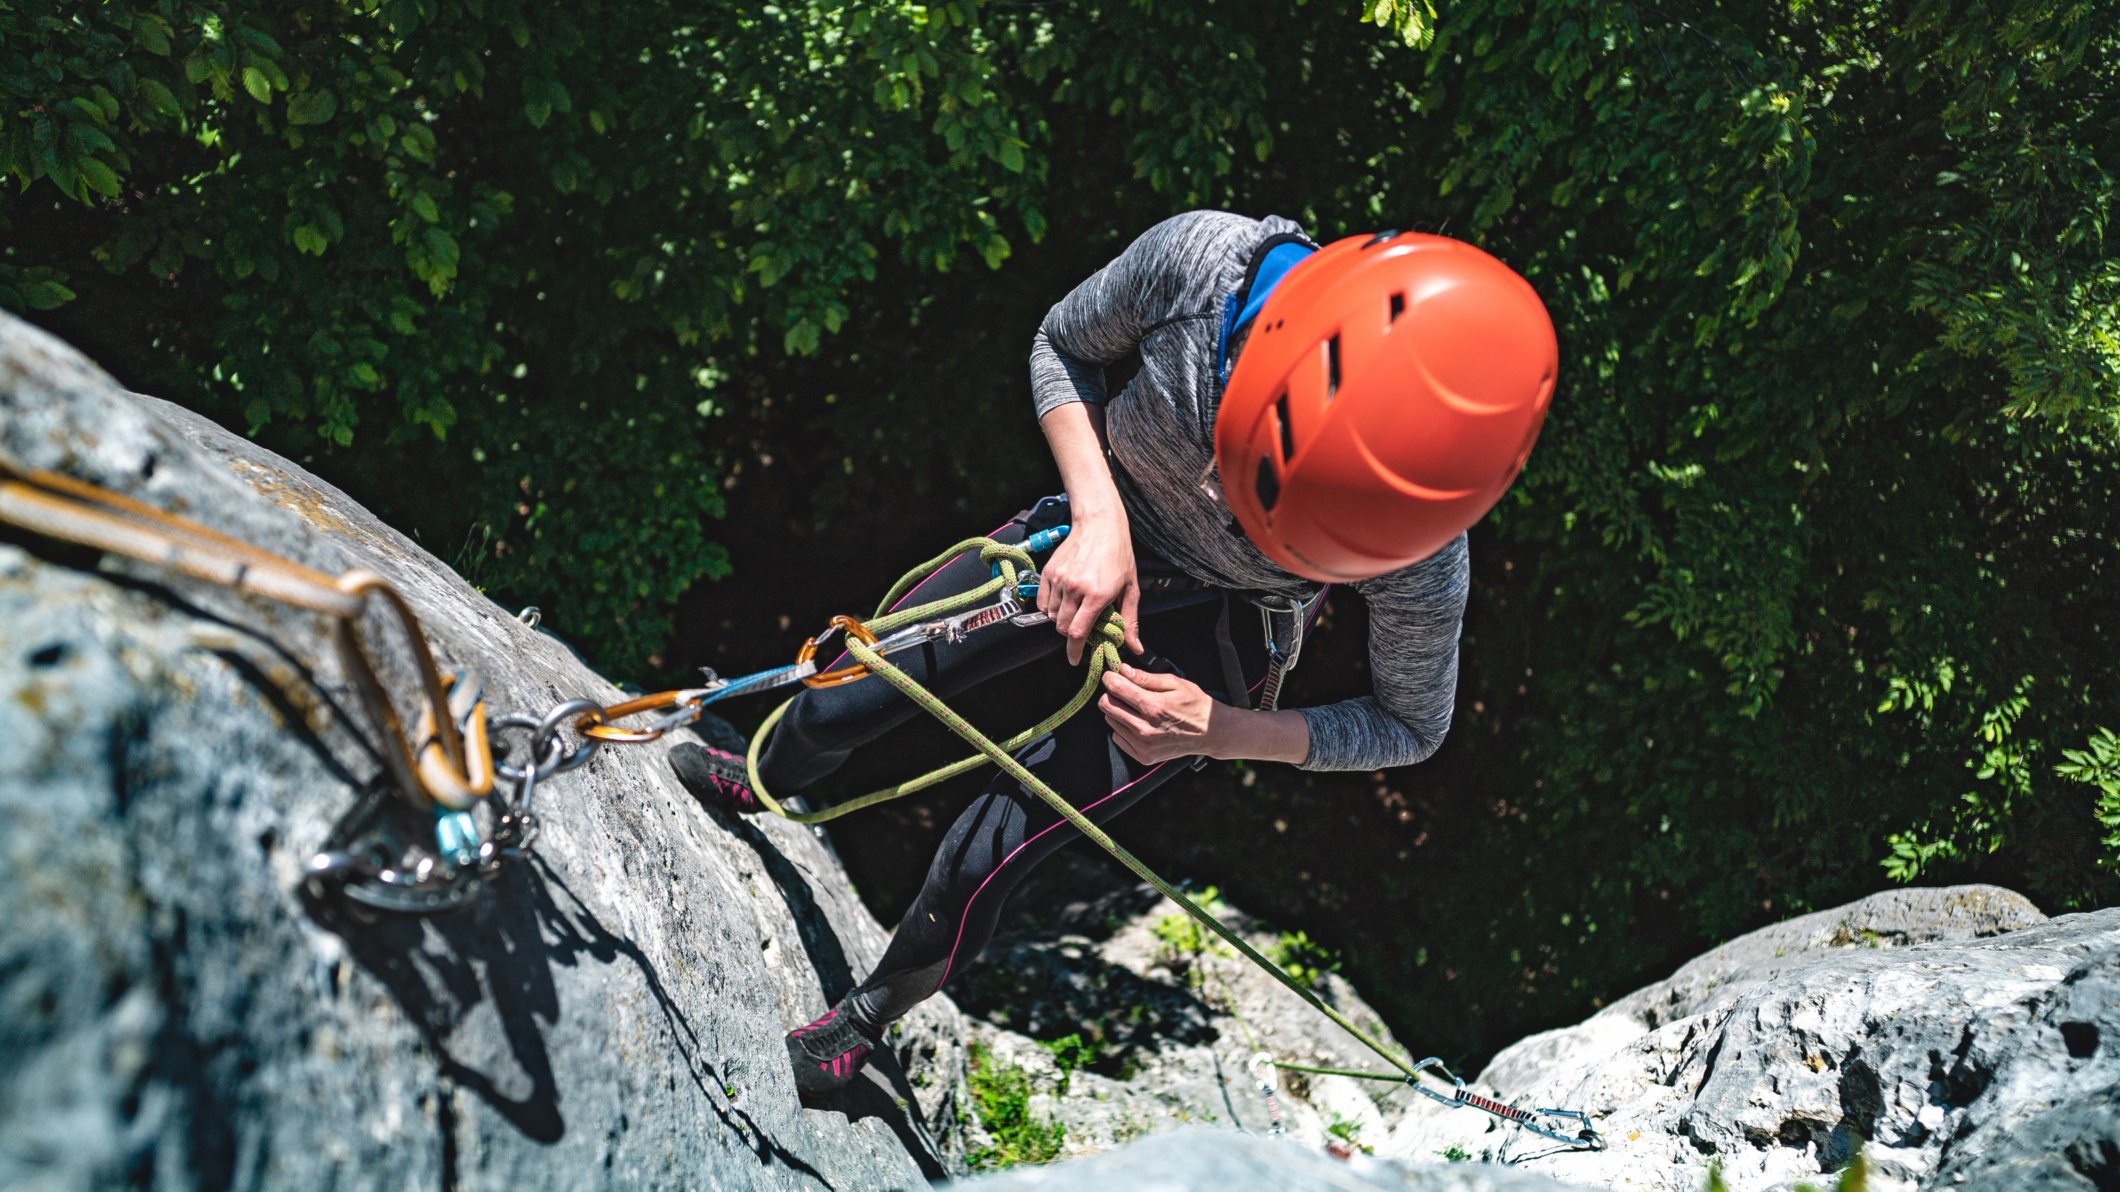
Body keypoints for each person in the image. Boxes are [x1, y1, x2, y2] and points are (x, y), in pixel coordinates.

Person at [670, 210, 1557, 1095]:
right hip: (1096, 525)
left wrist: (1224, 728)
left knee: (994, 851)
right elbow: (1062, 342)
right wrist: (1097, 518)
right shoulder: (1205, 270)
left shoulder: (1422, 544)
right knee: (856, 692)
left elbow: (1410, 723)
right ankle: (766, 778)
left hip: (1215, 639)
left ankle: (860, 1025)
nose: (1240, 518)